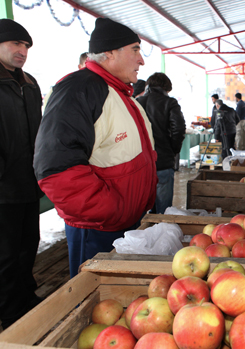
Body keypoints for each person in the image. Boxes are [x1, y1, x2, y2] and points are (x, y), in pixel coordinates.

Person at [34, 18, 157, 279]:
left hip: (122, 223)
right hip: (98, 228)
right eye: (135, 50)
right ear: (110, 53)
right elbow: (55, 168)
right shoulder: (81, 89)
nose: (142, 60)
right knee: (91, 302)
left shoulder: (120, 92)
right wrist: (108, 210)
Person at [0, 18, 43, 330]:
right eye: (16, 43)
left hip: (28, 182)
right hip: (2, 187)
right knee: (5, 254)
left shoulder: (29, 84)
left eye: (26, 46)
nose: (22, 51)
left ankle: (26, 298)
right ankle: (9, 310)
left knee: (29, 245)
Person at [137, 73, 185, 214]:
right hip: (163, 160)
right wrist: (173, 149)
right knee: (163, 211)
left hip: (140, 162)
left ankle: (144, 234)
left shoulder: (137, 102)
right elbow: (179, 128)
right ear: (166, 87)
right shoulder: (169, 103)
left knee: (140, 209)